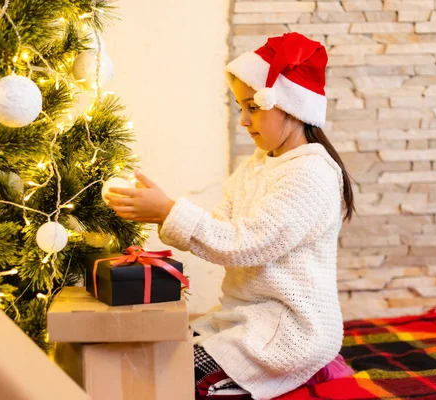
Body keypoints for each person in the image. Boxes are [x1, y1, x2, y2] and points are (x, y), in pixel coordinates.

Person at [105, 32, 356, 400]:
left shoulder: (310, 174)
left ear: (288, 105)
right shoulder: (254, 167)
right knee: (158, 356)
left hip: (290, 328)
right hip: (243, 316)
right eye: (241, 107)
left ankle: (309, 370)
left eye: (253, 107)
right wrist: (161, 213)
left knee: (175, 379)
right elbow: (221, 228)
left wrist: (170, 211)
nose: (243, 120)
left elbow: (246, 244)